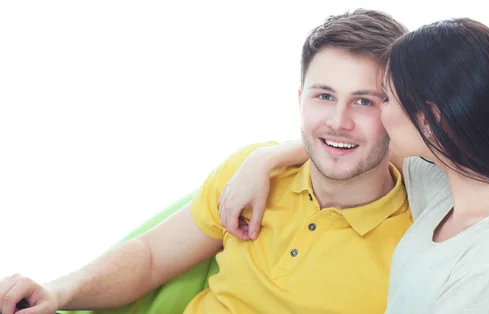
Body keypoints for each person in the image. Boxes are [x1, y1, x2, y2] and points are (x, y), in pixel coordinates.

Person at [0, 9, 413, 314]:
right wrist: (57, 291)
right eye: (324, 96)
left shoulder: (422, 240)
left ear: (399, 111)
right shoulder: (253, 174)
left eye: (364, 101)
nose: (338, 121)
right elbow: (148, 258)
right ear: (299, 100)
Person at [218, 18, 489, 314]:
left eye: (384, 99)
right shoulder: (447, 184)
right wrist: (263, 159)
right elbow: (345, 146)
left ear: (429, 120)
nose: (380, 115)